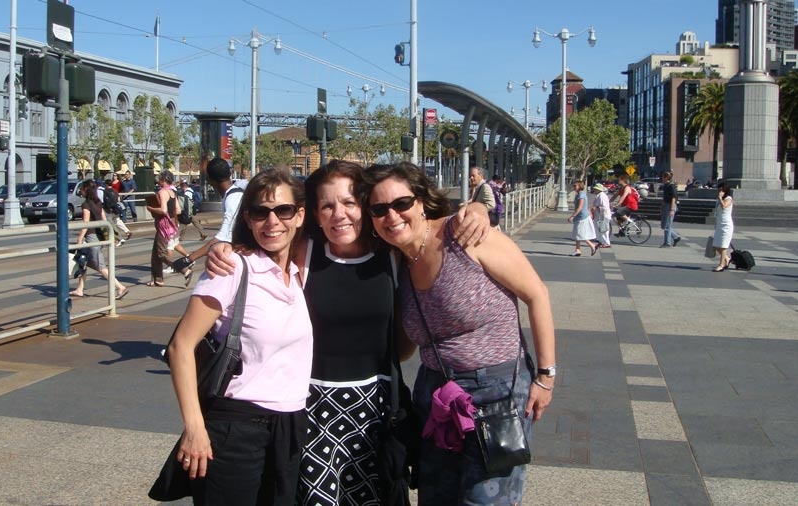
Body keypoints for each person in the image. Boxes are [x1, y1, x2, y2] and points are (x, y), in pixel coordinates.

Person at [204, 161, 491, 505]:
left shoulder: (390, 252)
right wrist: (226, 248)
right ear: (314, 213)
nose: (339, 214)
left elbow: (427, 225)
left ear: (365, 206)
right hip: (312, 407)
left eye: (349, 203)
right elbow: (264, 240)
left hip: (377, 409)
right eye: (327, 205)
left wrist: (478, 208)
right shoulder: (305, 250)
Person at [363, 162, 555, 506]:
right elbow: (407, 346)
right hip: (438, 398)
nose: (391, 216)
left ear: (421, 201)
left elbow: (536, 293)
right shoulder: (396, 260)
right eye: (379, 209)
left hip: (498, 393)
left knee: (485, 501)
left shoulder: (464, 234)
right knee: (436, 498)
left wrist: (546, 376)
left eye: (401, 204)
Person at [166, 169, 313, 506]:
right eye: (260, 211)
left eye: (283, 210)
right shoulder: (233, 267)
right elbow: (180, 346)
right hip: (235, 428)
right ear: (247, 217)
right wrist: (194, 428)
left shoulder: (298, 271)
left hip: (290, 425)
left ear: (300, 215)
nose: (272, 221)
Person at [70, 179, 128, 299]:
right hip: (99, 236)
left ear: (86, 190)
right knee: (84, 262)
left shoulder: (86, 204)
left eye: (81, 189)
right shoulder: (98, 202)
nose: (80, 191)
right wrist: (111, 235)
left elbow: (86, 223)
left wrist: (80, 238)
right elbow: (103, 220)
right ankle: (80, 289)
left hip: (92, 237)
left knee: (101, 267)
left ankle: (120, 287)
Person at [180, 158, 245, 264]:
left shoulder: (233, 198)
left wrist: (189, 259)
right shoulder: (231, 195)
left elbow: (223, 237)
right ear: (230, 173)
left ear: (210, 180)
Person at [146, 169, 192, 287]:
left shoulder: (162, 192)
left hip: (163, 225)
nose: (158, 181)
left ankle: (184, 270)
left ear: (164, 179)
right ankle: (158, 279)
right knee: (155, 254)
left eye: (159, 179)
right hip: (171, 224)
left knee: (161, 253)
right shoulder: (172, 192)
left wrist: (151, 209)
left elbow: (163, 210)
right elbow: (178, 210)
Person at [568, 180, 598, 257]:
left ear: (580, 186)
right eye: (574, 186)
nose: (574, 187)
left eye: (575, 185)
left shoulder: (581, 195)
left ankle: (592, 245)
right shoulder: (578, 194)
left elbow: (580, 207)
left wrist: (572, 216)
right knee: (577, 234)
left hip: (582, 217)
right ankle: (578, 250)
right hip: (579, 217)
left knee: (580, 234)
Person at [98, 179, 132, 246]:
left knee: (111, 225)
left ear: (106, 184)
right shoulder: (115, 191)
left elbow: (103, 201)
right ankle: (127, 231)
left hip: (108, 211)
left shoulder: (105, 191)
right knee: (117, 221)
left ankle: (119, 238)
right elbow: (119, 199)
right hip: (116, 209)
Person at [712, 180, 734, 272]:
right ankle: (727, 259)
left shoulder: (729, 198)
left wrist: (720, 198)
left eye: (721, 190)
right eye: (719, 189)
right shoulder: (719, 199)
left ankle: (721, 265)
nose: (719, 191)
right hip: (720, 224)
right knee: (716, 245)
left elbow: (724, 206)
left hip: (726, 225)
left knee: (723, 245)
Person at [659, 171, 682, 248]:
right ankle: (676, 237)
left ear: (666, 178)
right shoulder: (665, 186)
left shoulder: (671, 186)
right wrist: (662, 207)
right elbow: (664, 198)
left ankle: (667, 243)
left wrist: (672, 209)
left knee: (667, 225)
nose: (662, 178)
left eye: (663, 177)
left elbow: (673, 198)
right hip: (665, 205)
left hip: (670, 206)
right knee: (663, 225)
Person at [590, 183, 612, 248]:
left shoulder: (602, 196)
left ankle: (606, 243)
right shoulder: (599, 195)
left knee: (603, 229)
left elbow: (604, 207)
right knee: (599, 229)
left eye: (595, 189)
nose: (594, 190)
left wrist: (596, 208)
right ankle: (601, 241)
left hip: (603, 215)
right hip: (600, 215)